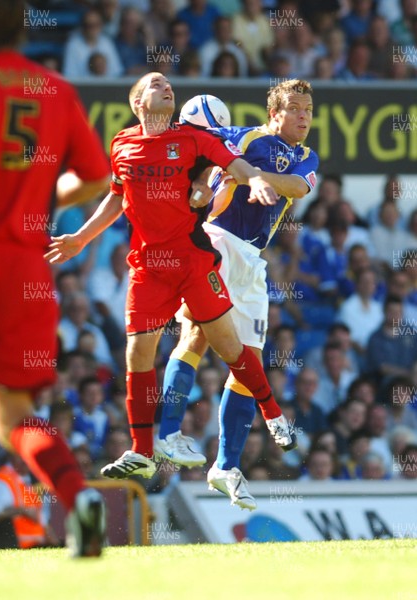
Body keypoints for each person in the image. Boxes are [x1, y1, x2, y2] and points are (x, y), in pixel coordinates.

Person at [45, 73, 298, 496]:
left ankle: (272, 413)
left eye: (168, 85)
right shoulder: (122, 143)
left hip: (194, 260)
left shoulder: (192, 139)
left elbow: (230, 163)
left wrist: (252, 179)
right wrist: (81, 238)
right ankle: (142, 451)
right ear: (138, 102)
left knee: (229, 347)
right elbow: (116, 196)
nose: (166, 88)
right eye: (155, 84)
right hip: (148, 267)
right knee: (137, 352)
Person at [154, 78, 318, 509]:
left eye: (308, 109)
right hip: (218, 241)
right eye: (296, 108)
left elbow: (298, 187)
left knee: (248, 361)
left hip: (252, 261)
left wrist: (248, 174)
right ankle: (167, 431)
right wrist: (208, 179)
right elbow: (201, 144)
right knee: (196, 335)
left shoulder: (306, 158)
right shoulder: (246, 136)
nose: (304, 116)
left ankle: (225, 466)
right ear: (275, 113)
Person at [0, 0, 109, 557]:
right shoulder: (54, 90)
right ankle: (79, 497)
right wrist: (41, 198)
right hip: (24, 268)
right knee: (13, 414)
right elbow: (95, 177)